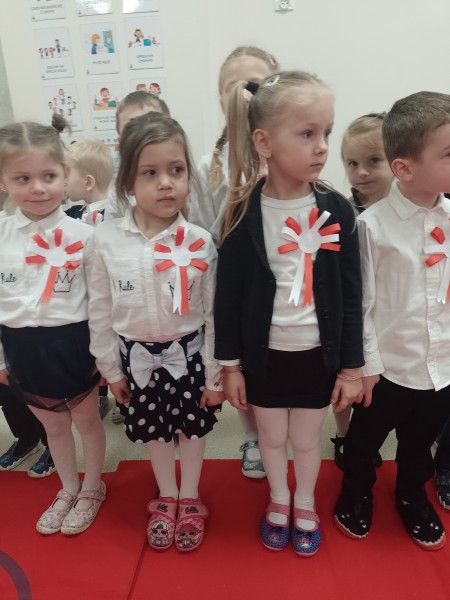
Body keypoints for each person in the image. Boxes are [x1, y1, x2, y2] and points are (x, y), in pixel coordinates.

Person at [214, 71, 364, 556]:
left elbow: (351, 294)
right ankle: (279, 498)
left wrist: (351, 367)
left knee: (306, 439)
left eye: (326, 133)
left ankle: (305, 501)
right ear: (264, 142)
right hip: (264, 357)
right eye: (306, 134)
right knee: (272, 438)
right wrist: (230, 365)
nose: (322, 147)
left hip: (317, 355)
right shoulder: (241, 211)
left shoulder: (337, 209)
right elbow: (227, 296)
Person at [86, 112, 225, 552]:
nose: (166, 183)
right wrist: (110, 369)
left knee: (192, 429)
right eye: (150, 173)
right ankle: (167, 494)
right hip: (135, 357)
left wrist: (215, 375)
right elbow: (100, 309)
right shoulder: (105, 240)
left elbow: (213, 314)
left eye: (176, 170)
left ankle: (191, 496)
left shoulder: (200, 241)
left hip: (190, 354)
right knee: (155, 431)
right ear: (128, 181)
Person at [333, 91, 450, 551]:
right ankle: (356, 491)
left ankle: (410, 495)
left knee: (419, 446)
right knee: (364, 444)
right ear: (405, 168)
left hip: (439, 367)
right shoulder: (373, 227)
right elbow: (360, 304)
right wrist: (366, 367)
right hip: (386, 372)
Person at [0, 116, 106, 536]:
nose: (38, 188)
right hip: (22, 348)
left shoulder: (86, 235)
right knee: (54, 426)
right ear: (4, 180)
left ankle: (93, 486)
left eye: (49, 176)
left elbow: (100, 303)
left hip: (74, 344)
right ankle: (68, 487)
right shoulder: (1, 235)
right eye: (22, 178)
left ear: (66, 174)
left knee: (87, 422)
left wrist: (105, 357)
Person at [189, 45, 279, 480]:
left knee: (280, 362)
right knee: (240, 366)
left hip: (287, 284)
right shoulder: (210, 166)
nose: (244, 94)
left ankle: (282, 431)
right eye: (233, 87)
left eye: (255, 86)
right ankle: (252, 435)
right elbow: (202, 235)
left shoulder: (287, 151)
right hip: (236, 288)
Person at [103, 91, 171, 424]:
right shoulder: (117, 193)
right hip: (135, 306)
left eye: (152, 122)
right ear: (120, 142)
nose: (144, 133)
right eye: (132, 128)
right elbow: (111, 244)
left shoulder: (178, 182)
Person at [331, 112, 393, 470]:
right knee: (345, 383)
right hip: (351, 315)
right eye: (352, 164)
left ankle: (369, 437)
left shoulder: (403, 211)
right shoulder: (342, 212)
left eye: (374, 161)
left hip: (389, 315)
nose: (362, 172)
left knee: (380, 389)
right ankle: (343, 434)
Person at [65, 138, 115, 419]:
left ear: (87, 182)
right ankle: (101, 394)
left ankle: (123, 394)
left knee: (112, 342)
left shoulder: (113, 214)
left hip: (109, 294)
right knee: (95, 344)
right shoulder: (74, 214)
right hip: (85, 296)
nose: (61, 181)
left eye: (66, 174)